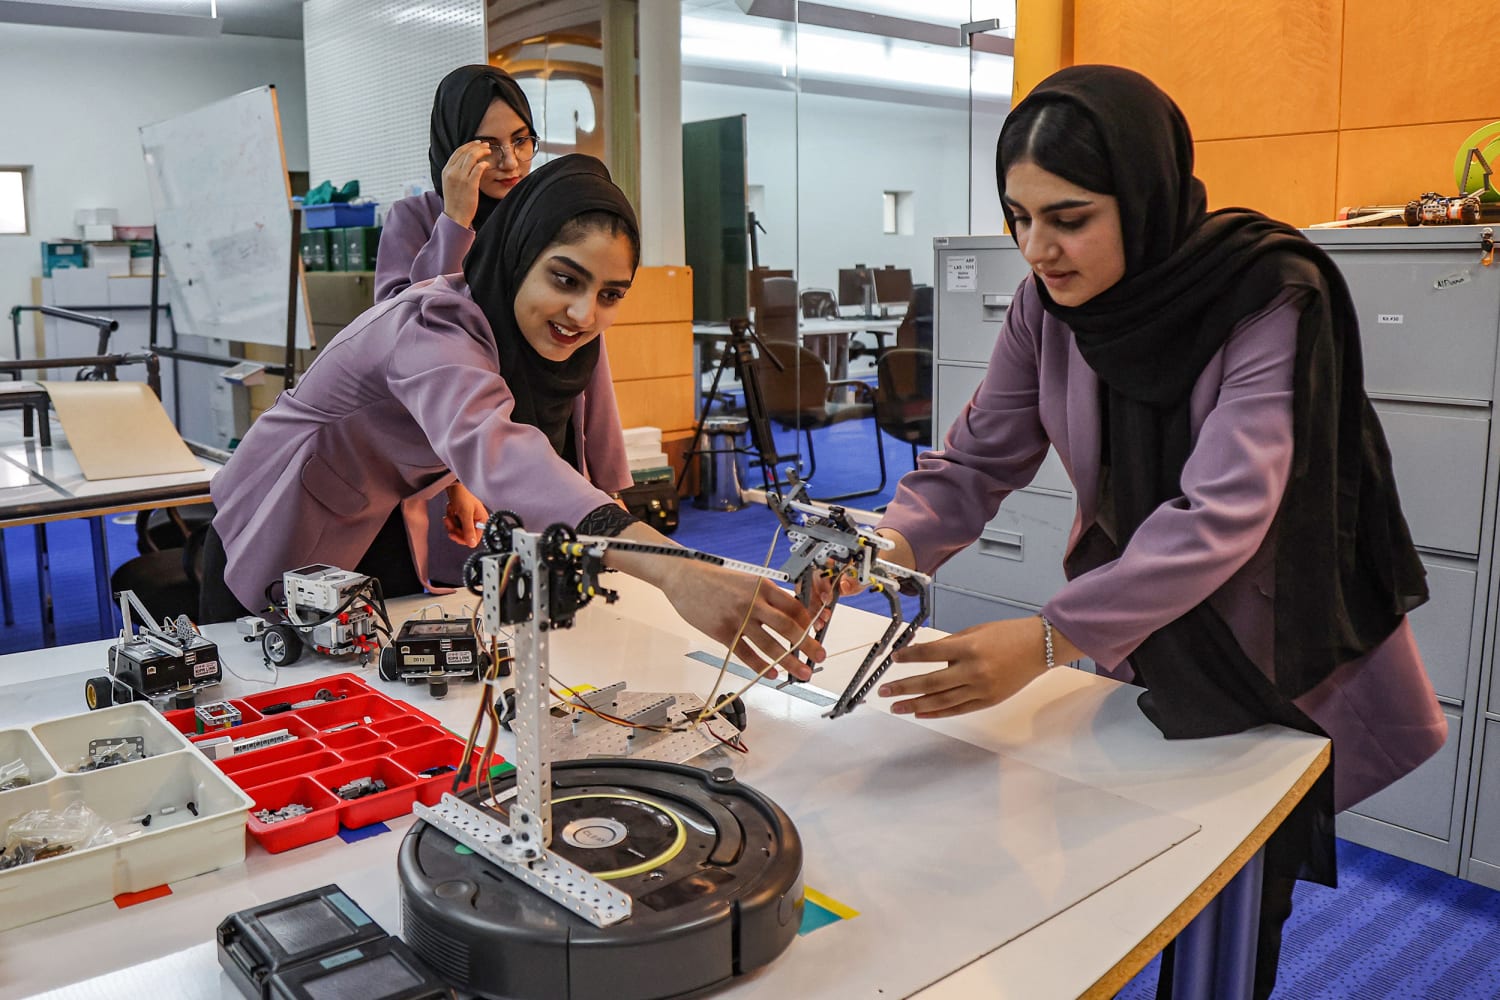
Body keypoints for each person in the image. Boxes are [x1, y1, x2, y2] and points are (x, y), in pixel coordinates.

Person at [833, 65, 1447, 998]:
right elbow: (977, 459)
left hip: (1272, 648)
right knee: (1140, 870)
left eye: (1069, 217)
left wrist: (1046, 638)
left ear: (1144, 192)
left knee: (1239, 901)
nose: (1038, 247)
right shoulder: (1049, 303)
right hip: (1145, 627)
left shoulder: (1267, 293)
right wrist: (871, 554)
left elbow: (1223, 513)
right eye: (1018, 217)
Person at [202, 155, 823, 680]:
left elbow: (470, 428)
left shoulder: (506, 327)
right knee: (260, 697)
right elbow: (498, 446)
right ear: (519, 253)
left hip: (366, 521)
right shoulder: (435, 327)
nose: (583, 314)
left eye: (609, 295)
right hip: (278, 519)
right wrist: (678, 569)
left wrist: (453, 478)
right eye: (564, 277)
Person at [373, 64, 541, 590]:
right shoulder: (415, 219)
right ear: (453, 149)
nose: (509, 160)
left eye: (521, 140)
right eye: (486, 145)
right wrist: (456, 221)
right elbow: (407, 334)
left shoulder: (540, 219)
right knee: (463, 616)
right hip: (452, 447)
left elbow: (585, 353)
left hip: (536, 438)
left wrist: (607, 475)